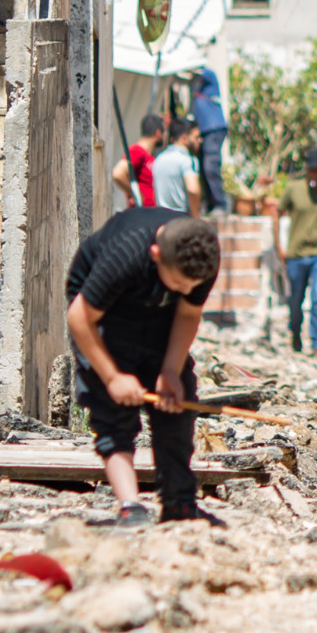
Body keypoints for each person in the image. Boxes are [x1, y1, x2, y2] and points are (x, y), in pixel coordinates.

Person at [64, 206, 226, 528]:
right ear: (156, 255)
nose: (185, 291)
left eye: (190, 286)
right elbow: (79, 318)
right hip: (105, 318)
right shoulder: (126, 253)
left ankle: (179, 504)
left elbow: (187, 314)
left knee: (176, 406)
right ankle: (130, 506)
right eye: (179, 283)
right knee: (113, 414)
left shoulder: (202, 257)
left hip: (160, 317)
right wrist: (112, 377)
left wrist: (169, 371)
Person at [275, 149, 317, 355]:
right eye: (312, 170)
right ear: (306, 170)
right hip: (296, 253)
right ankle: (295, 332)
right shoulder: (293, 189)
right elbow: (277, 213)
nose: (316, 174)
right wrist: (279, 246)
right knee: (296, 300)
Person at [151, 120, 205, 217]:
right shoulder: (187, 160)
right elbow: (193, 190)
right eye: (196, 137)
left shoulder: (159, 159)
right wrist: (196, 216)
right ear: (184, 138)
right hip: (181, 217)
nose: (200, 140)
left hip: (161, 217)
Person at [190, 64, 229, 195]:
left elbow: (201, 71)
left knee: (210, 166)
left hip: (214, 128)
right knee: (202, 167)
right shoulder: (197, 86)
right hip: (205, 130)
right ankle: (210, 203)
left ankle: (220, 204)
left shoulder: (209, 76)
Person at [112, 114, 165, 209]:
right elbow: (117, 174)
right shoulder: (137, 151)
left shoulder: (148, 154)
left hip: (149, 212)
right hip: (142, 214)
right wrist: (135, 193)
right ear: (157, 133)